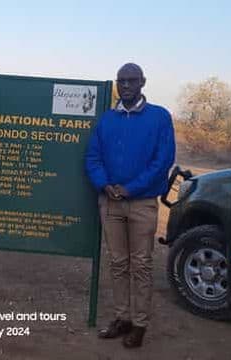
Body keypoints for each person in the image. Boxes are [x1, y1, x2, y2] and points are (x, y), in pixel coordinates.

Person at [85, 63, 175, 348]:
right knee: (118, 263)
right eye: (121, 81)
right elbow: (93, 157)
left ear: (143, 82)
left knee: (141, 265)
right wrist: (104, 184)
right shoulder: (107, 120)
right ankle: (122, 318)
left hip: (142, 203)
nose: (125, 85)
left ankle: (139, 324)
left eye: (131, 80)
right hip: (110, 202)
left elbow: (162, 160)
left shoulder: (159, 117)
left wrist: (130, 188)